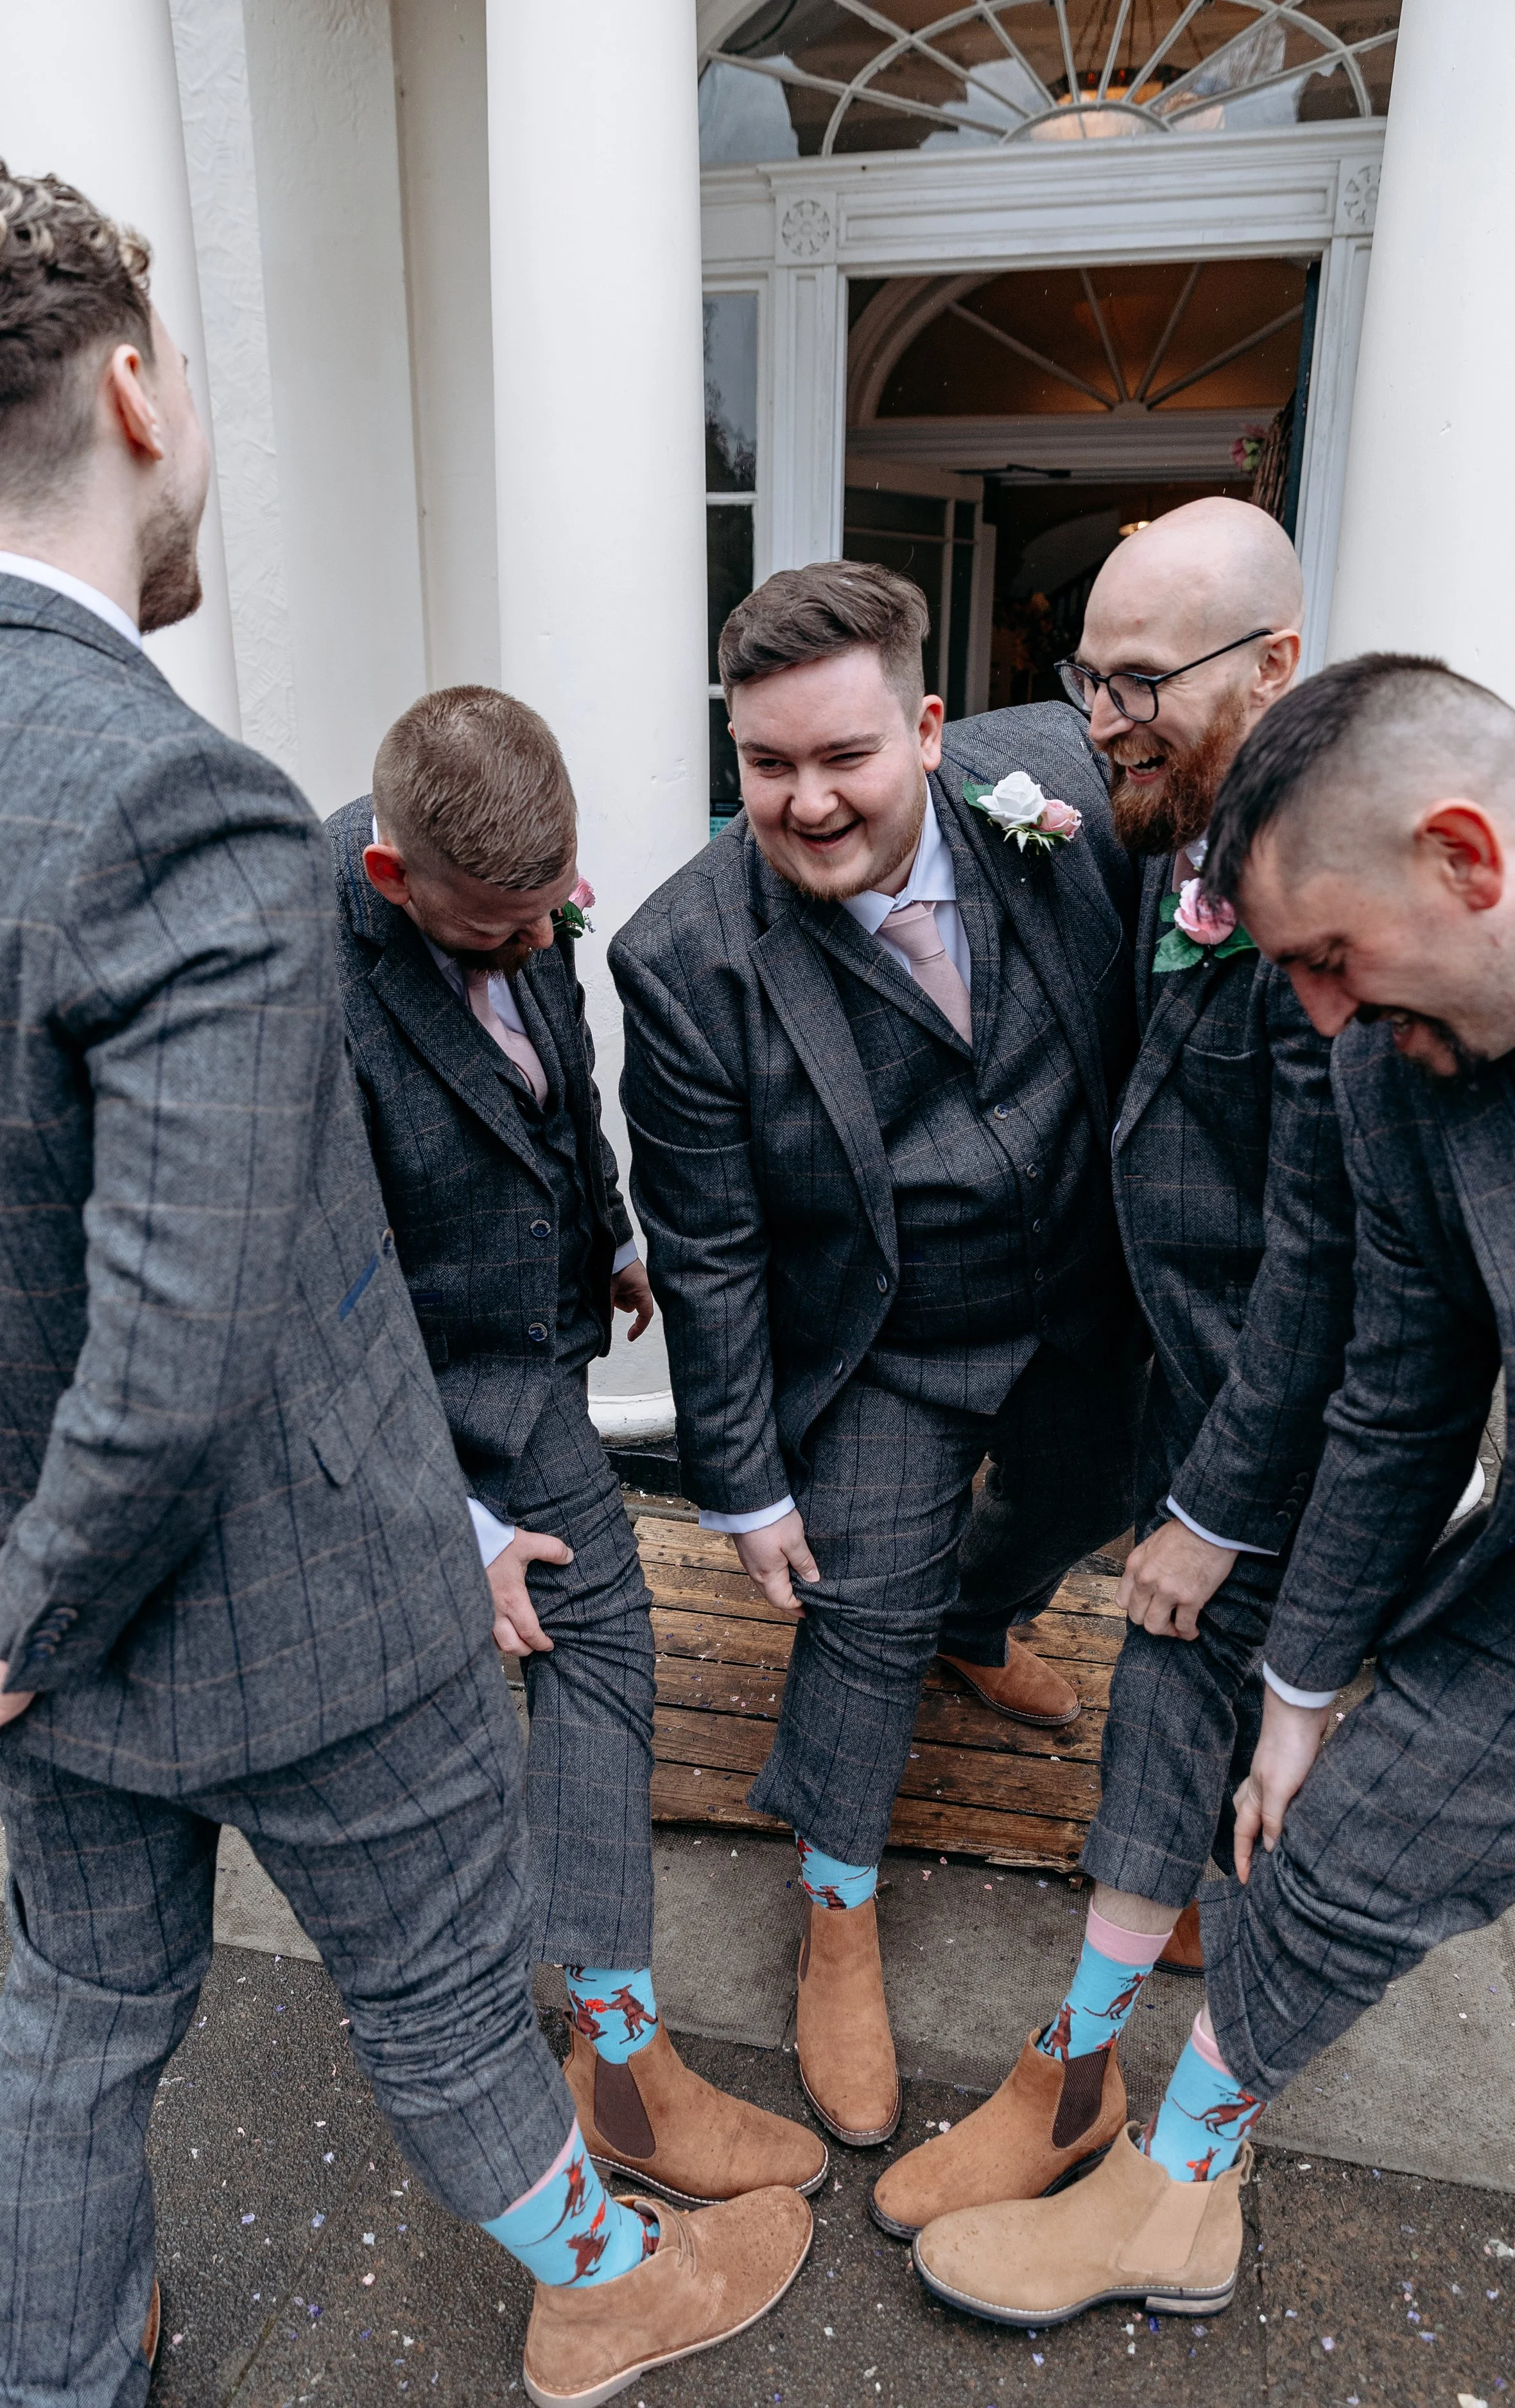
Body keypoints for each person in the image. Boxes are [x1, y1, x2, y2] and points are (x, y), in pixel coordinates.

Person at [0, 164, 808, 2408]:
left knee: (72, 2021)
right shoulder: (185, 807)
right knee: (447, 1995)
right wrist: (26, 1621)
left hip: (55, 1627)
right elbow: (196, 1338)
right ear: (139, 396)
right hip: (291, 1601)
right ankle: (603, 2280)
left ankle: (63, 2368)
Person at [906, 651, 1515, 2329]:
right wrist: (1300, 1690)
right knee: (1331, 1852)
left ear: (1464, 859)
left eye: (1330, 961)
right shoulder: (1395, 1055)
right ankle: (1167, 2190)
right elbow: (1403, 1380)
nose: (1320, 1017)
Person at [611, 561, 1146, 2152]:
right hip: (884, 1339)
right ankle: (836, 1906)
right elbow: (706, 1245)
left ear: (925, 728)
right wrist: (742, 1482)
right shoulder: (683, 957)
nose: (805, 802)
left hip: (1086, 1291)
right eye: (765, 763)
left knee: (1079, 1504)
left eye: (842, 756)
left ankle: (980, 1621)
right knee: (858, 1615)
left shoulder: (1056, 783)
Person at [868, 500, 1355, 2239]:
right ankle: (1168, 1897)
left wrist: (1211, 1513)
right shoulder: (1163, 807)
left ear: (1272, 667)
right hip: (1145, 1340)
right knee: (1132, 1603)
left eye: (1139, 680)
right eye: (1088, 673)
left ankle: (1079, 2073)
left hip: (1284, 1409)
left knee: (1170, 1663)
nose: (1099, 719)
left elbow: (1325, 1266)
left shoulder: (1331, 910)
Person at [329, 688, 826, 2208]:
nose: (543, 944)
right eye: (504, 929)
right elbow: (311, 1306)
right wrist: (454, 1527)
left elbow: (561, 1088)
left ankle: (594, 2048)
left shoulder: (516, 904)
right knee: (572, 1647)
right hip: (404, 1391)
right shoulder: (296, 986)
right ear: (391, 879)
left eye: (559, 909)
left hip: (526, 1338)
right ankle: (607, 2075)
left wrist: (604, 1234)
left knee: (560, 1656)